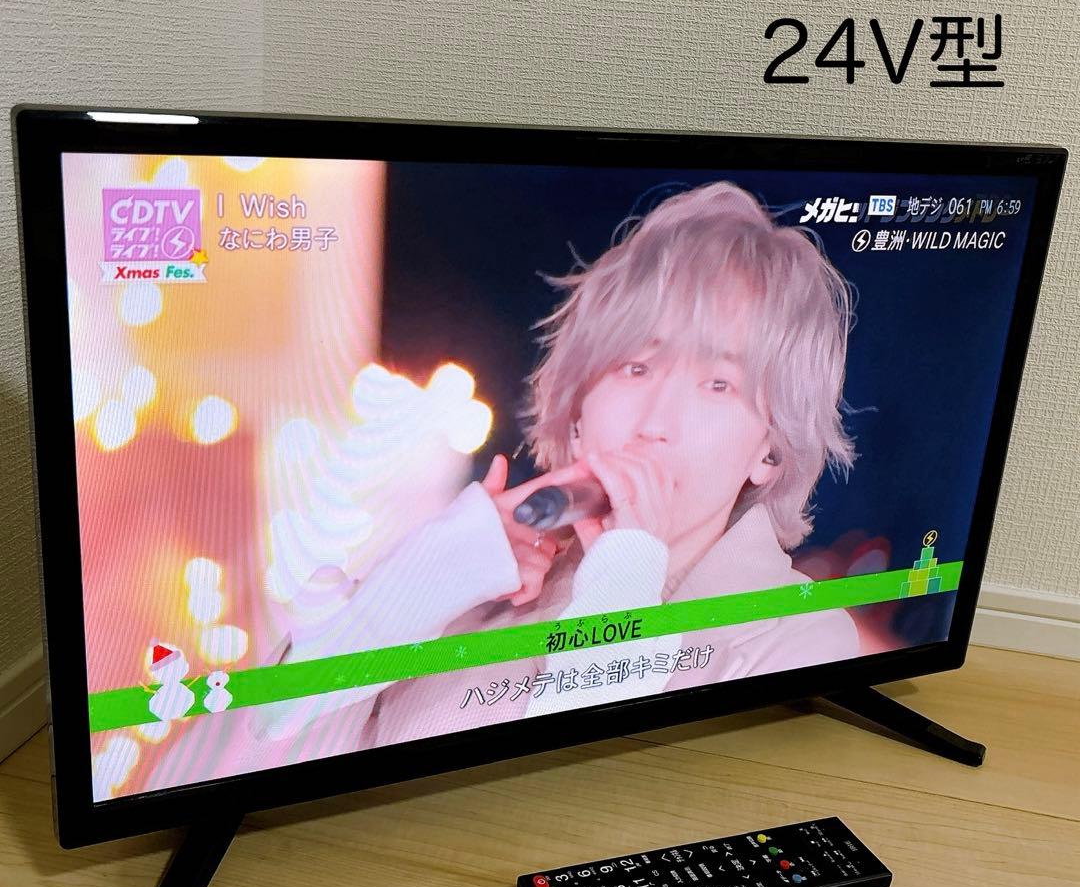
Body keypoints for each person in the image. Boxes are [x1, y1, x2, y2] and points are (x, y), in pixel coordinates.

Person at [145, 180, 863, 789]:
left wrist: (624, 579)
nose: (656, 421)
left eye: (718, 384)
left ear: (770, 452)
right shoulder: (481, 583)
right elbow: (216, 767)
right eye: (636, 368)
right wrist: (421, 585)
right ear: (578, 416)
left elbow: (585, 817)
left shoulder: (799, 635)